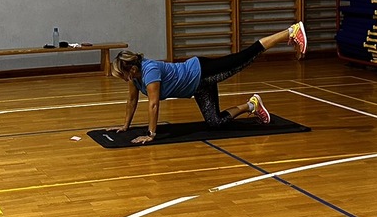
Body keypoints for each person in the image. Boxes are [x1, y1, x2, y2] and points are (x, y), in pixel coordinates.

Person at [108, 22, 307, 145]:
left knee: (246, 56)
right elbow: (131, 101)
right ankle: (251, 105)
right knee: (215, 122)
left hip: (202, 72)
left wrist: (151, 134)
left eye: (122, 74)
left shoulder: (149, 72)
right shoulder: (134, 77)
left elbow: (153, 105)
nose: (123, 79)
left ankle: (290, 32)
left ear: (131, 69)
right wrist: (125, 126)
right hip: (198, 87)